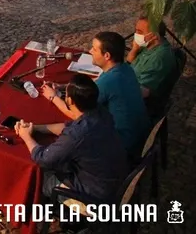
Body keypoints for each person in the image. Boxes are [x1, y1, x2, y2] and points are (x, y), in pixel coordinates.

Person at [16, 74, 129, 202]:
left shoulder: (77, 134)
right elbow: (67, 126)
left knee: (38, 177)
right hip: (112, 178)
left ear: (69, 101)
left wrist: (26, 137)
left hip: (93, 196)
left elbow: (43, 158)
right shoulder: (99, 111)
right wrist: (36, 128)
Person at [42, 31, 150, 157]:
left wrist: (53, 96)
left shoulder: (108, 82)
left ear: (107, 56)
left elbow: (77, 114)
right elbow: (97, 82)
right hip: (139, 132)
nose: (90, 51)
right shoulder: (124, 68)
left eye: (94, 49)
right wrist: (64, 86)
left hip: (122, 144)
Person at [127, 15, 178, 102]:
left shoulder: (159, 58)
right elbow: (129, 62)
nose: (136, 35)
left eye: (139, 32)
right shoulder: (148, 45)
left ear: (154, 35)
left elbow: (144, 91)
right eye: (135, 31)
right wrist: (134, 49)